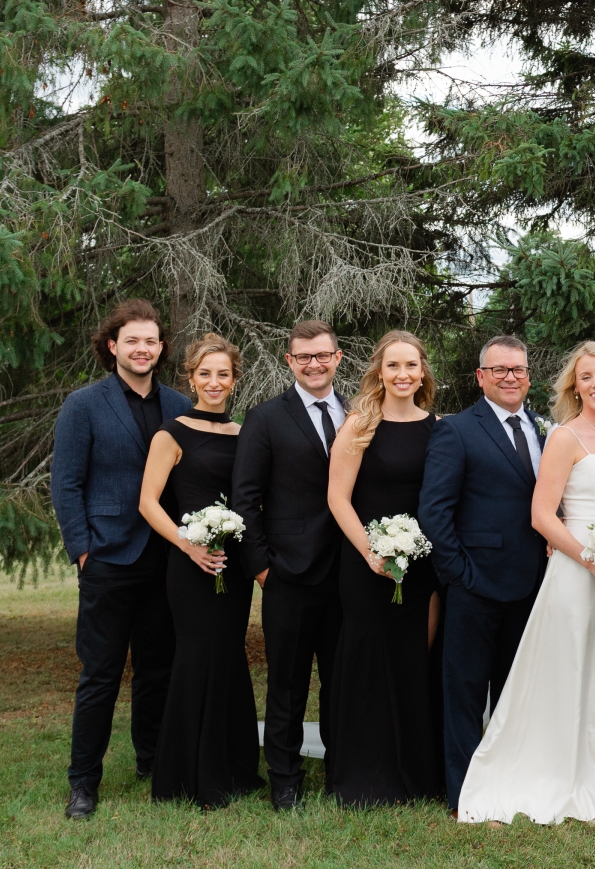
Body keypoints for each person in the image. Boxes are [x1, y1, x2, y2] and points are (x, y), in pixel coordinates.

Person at [457, 341, 595, 828]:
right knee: (574, 666)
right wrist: (592, 560)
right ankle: (565, 765)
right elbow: (541, 515)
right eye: (586, 376)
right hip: (579, 573)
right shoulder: (563, 437)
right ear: (574, 385)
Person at [51, 299, 188, 819]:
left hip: (166, 560)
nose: (143, 348)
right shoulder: (83, 405)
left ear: (160, 348)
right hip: (107, 558)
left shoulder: (178, 404)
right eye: (132, 340)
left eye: (151, 341)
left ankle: (152, 763)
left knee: (158, 670)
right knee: (101, 675)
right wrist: (83, 551)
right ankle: (83, 782)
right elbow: (65, 484)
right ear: (113, 347)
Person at [418, 335, 549, 817]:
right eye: (499, 370)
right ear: (481, 377)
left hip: (531, 587)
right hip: (474, 587)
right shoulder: (456, 431)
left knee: (515, 696)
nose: (510, 377)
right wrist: (459, 575)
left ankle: (509, 786)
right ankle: (465, 795)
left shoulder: (540, 428)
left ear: (528, 376)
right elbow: (434, 513)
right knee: (466, 695)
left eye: (517, 369)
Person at [137, 334, 265, 808]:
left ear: (235, 380)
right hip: (189, 565)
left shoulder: (244, 433)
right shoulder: (171, 433)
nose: (215, 382)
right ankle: (186, 776)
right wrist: (187, 545)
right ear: (190, 378)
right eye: (205, 374)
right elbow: (148, 502)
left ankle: (231, 768)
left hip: (232, 568)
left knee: (230, 656)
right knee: (195, 658)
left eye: (223, 374)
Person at [325, 331, 445, 807]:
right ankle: (364, 777)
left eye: (411, 366)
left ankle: (416, 776)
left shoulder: (439, 428)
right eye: (393, 366)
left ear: (422, 372)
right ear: (379, 371)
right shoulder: (360, 425)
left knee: (414, 660)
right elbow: (337, 497)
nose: (402, 375)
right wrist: (371, 551)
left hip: (420, 567)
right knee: (369, 662)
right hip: (365, 564)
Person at [231, 320, 348, 810]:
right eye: (304, 358)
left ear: (338, 358)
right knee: (287, 684)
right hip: (289, 577)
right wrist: (262, 569)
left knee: (343, 682)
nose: (314, 364)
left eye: (322, 355)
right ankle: (285, 780)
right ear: (289, 362)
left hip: (349, 574)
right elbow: (245, 498)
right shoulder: (265, 418)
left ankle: (345, 774)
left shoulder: (360, 413)